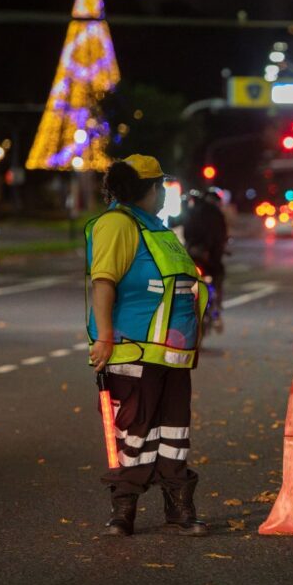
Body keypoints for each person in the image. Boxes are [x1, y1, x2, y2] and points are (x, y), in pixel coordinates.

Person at [86, 155, 208, 537]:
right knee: (135, 432)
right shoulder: (117, 224)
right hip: (132, 349)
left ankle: (179, 506)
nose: (162, 193)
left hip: (169, 353)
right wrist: (104, 337)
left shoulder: (156, 227)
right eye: (160, 187)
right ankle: (123, 512)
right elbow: (103, 281)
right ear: (151, 188)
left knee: (174, 431)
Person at [182, 188, 229, 330]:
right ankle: (216, 313)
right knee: (218, 275)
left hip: (192, 253)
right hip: (210, 257)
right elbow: (221, 236)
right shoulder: (216, 214)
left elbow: (186, 232)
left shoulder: (193, 211)